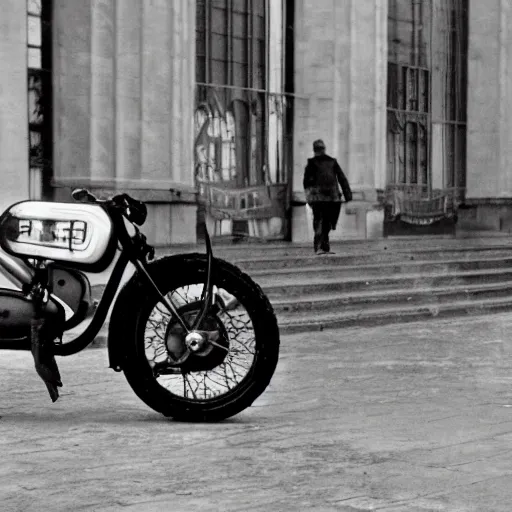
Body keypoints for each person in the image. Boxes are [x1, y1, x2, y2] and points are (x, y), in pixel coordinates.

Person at [303, 139, 352, 254]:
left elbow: (307, 183)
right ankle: (324, 246)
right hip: (333, 198)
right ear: (324, 149)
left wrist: (309, 197)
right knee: (327, 222)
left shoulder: (312, 163)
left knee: (319, 221)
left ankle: (319, 246)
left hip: (319, 198)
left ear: (314, 150)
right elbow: (342, 179)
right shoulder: (332, 162)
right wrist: (348, 195)